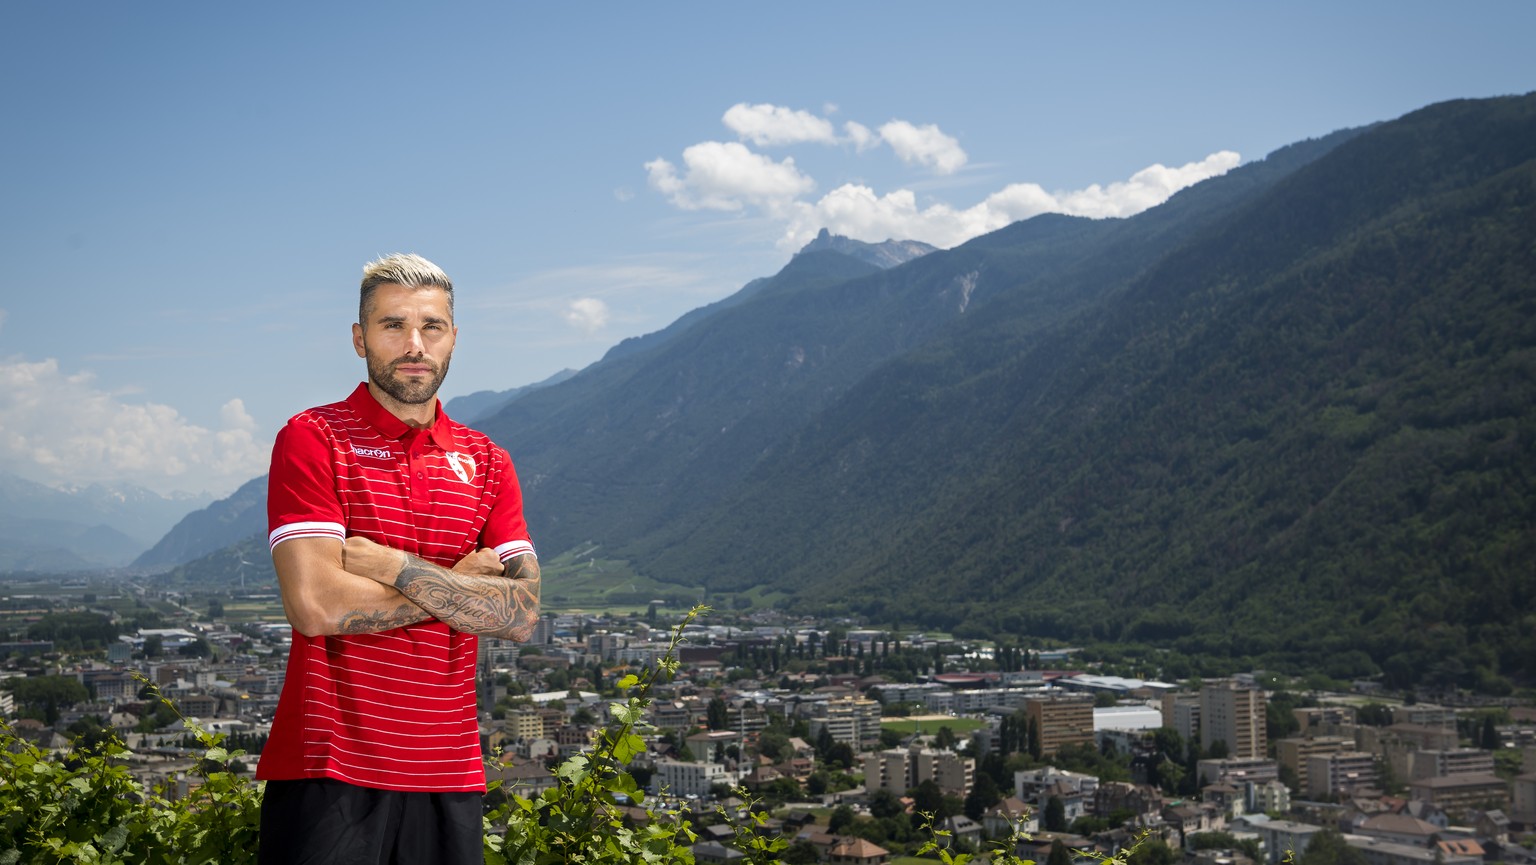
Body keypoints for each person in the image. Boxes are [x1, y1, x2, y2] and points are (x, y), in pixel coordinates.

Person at [256, 253, 541, 864]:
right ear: (360, 339)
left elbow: (519, 614)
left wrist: (392, 567)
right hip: (328, 765)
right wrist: (459, 588)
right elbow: (315, 606)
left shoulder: (488, 461)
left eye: (431, 327)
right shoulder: (314, 438)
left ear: (453, 339)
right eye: (393, 326)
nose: (415, 345)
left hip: (449, 769)